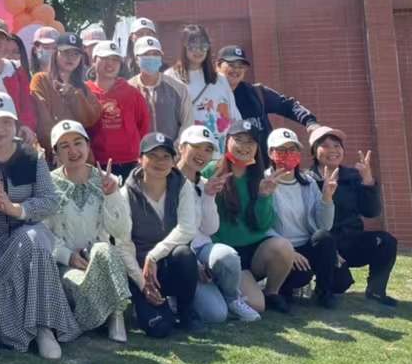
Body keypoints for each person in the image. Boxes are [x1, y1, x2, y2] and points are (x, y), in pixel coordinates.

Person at [0, 91, 79, 358]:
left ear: (15, 124)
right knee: (30, 242)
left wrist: (18, 209)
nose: (0, 129)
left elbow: (50, 200)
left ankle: (44, 328)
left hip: (23, 238)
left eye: (6, 122)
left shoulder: (31, 157)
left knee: (35, 239)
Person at [45, 120, 132, 342]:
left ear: (88, 145)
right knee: (75, 281)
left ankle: (116, 316)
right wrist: (67, 256)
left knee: (105, 249)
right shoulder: (47, 185)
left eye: (78, 143)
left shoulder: (106, 179)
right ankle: (88, 320)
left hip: (99, 260)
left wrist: (112, 195)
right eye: (64, 146)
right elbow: (43, 232)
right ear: (56, 153)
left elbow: (121, 230)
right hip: (66, 264)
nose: (73, 151)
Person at [201, 121, 297, 314]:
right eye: (239, 140)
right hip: (226, 253)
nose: (244, 147)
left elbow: (263, 224)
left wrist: (264, 197)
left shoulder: (260, 175)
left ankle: (272, 293)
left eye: (250, 142)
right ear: (227, 141)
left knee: (283, 247)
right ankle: (226, 288)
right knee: (256, 305)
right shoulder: (211, 171)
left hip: (254, 251)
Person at [174, 127, 262, 324]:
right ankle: (176, 298)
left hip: (203, 249)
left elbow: (210, 229)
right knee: (216, 315)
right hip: (178, 254)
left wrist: (208, 196)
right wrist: (194, 264)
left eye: (208, 149)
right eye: (196, 146)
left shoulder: (204, 183)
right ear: (181, 147)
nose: (202, 154)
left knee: (227, 256)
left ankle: (232, 298)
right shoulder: (166, 181)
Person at [120, 132, 202, 336]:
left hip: (169, 263)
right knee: (160, 329)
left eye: (166, 156)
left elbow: (187, 229)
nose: (160, 162)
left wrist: (154, 255)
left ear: (174, 161)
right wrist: (143, 284)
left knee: (184, 253)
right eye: (152, 155)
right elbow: (123, 244)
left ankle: (186, 311)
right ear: (140, 159)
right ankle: (149, 305)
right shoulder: (125, 193)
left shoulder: (183, 186)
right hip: (140, 271)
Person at [310, 125, 399, 306]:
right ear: (314, 151)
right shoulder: (307, 180)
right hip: (325, 245)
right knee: (340, 284)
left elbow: (371, 212)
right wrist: (332, 252)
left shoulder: (352, 176)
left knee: (386, 241)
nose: (333, 150)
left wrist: (367, 180)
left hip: (352, 240)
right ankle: (323, 291)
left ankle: (376, 291)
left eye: (337, 146)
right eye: (325, 145)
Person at [265, 127, 339, 308]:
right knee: (300, 276)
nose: (288, 154)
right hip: (279, 250)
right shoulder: (264, 182)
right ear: (270, 153)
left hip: (306, 246)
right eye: (282, 150)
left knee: (339, 274)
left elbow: (324, 226)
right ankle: (278, 290)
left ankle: (324, 293)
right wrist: (289, 252)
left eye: (293, 149)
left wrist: (327, 198)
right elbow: (261, 225)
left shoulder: (308, 183)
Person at [217, 45, 317, 162]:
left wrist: (311, 122)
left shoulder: (256, 93)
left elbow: (287, 105)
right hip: (225, 167)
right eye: (231, 65)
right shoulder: (209, 97)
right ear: (218, 65)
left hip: (262, 166)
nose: (236, 70)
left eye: (241, 66)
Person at [165, 24, 240, 150]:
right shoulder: (170, 77)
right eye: (193, 46)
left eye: (203, 45)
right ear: (183, 47)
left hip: (220, 152)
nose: (198, 50)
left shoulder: (220, 79)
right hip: (190, 151)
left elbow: (234, 116)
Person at [30, 32, 102, 158]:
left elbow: (90, 120)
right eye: (65, 52)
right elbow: (43, 122)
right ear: (55, 53)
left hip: (80, 157)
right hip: (53, 156)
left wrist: (74, 96)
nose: (71, 58)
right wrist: (57, 150)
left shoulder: (83, 88)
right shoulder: (40, 80)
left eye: (76, 54)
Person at [87, 41, 151, 180]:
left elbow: (143, 125)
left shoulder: (132, 93)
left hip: (130, 162)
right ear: (93, 60)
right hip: (96, 162)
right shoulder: (84, 92)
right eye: (105, 58)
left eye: (115, 59)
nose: (110, 64)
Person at [0, 17, 39, 143]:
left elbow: (26, 104)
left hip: (14, 138)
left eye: (0, 37)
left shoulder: (16, 69)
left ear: (6, 41)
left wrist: (27, 126)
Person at [129, 36, 193, 141]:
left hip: (172, 150)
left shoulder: (178, 88)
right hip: (140, 150)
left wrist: (176, 147)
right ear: (136, 59)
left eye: (155, 54)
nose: (151, 57)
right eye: (146, 54)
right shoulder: (128, 89)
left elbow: (187, 123)